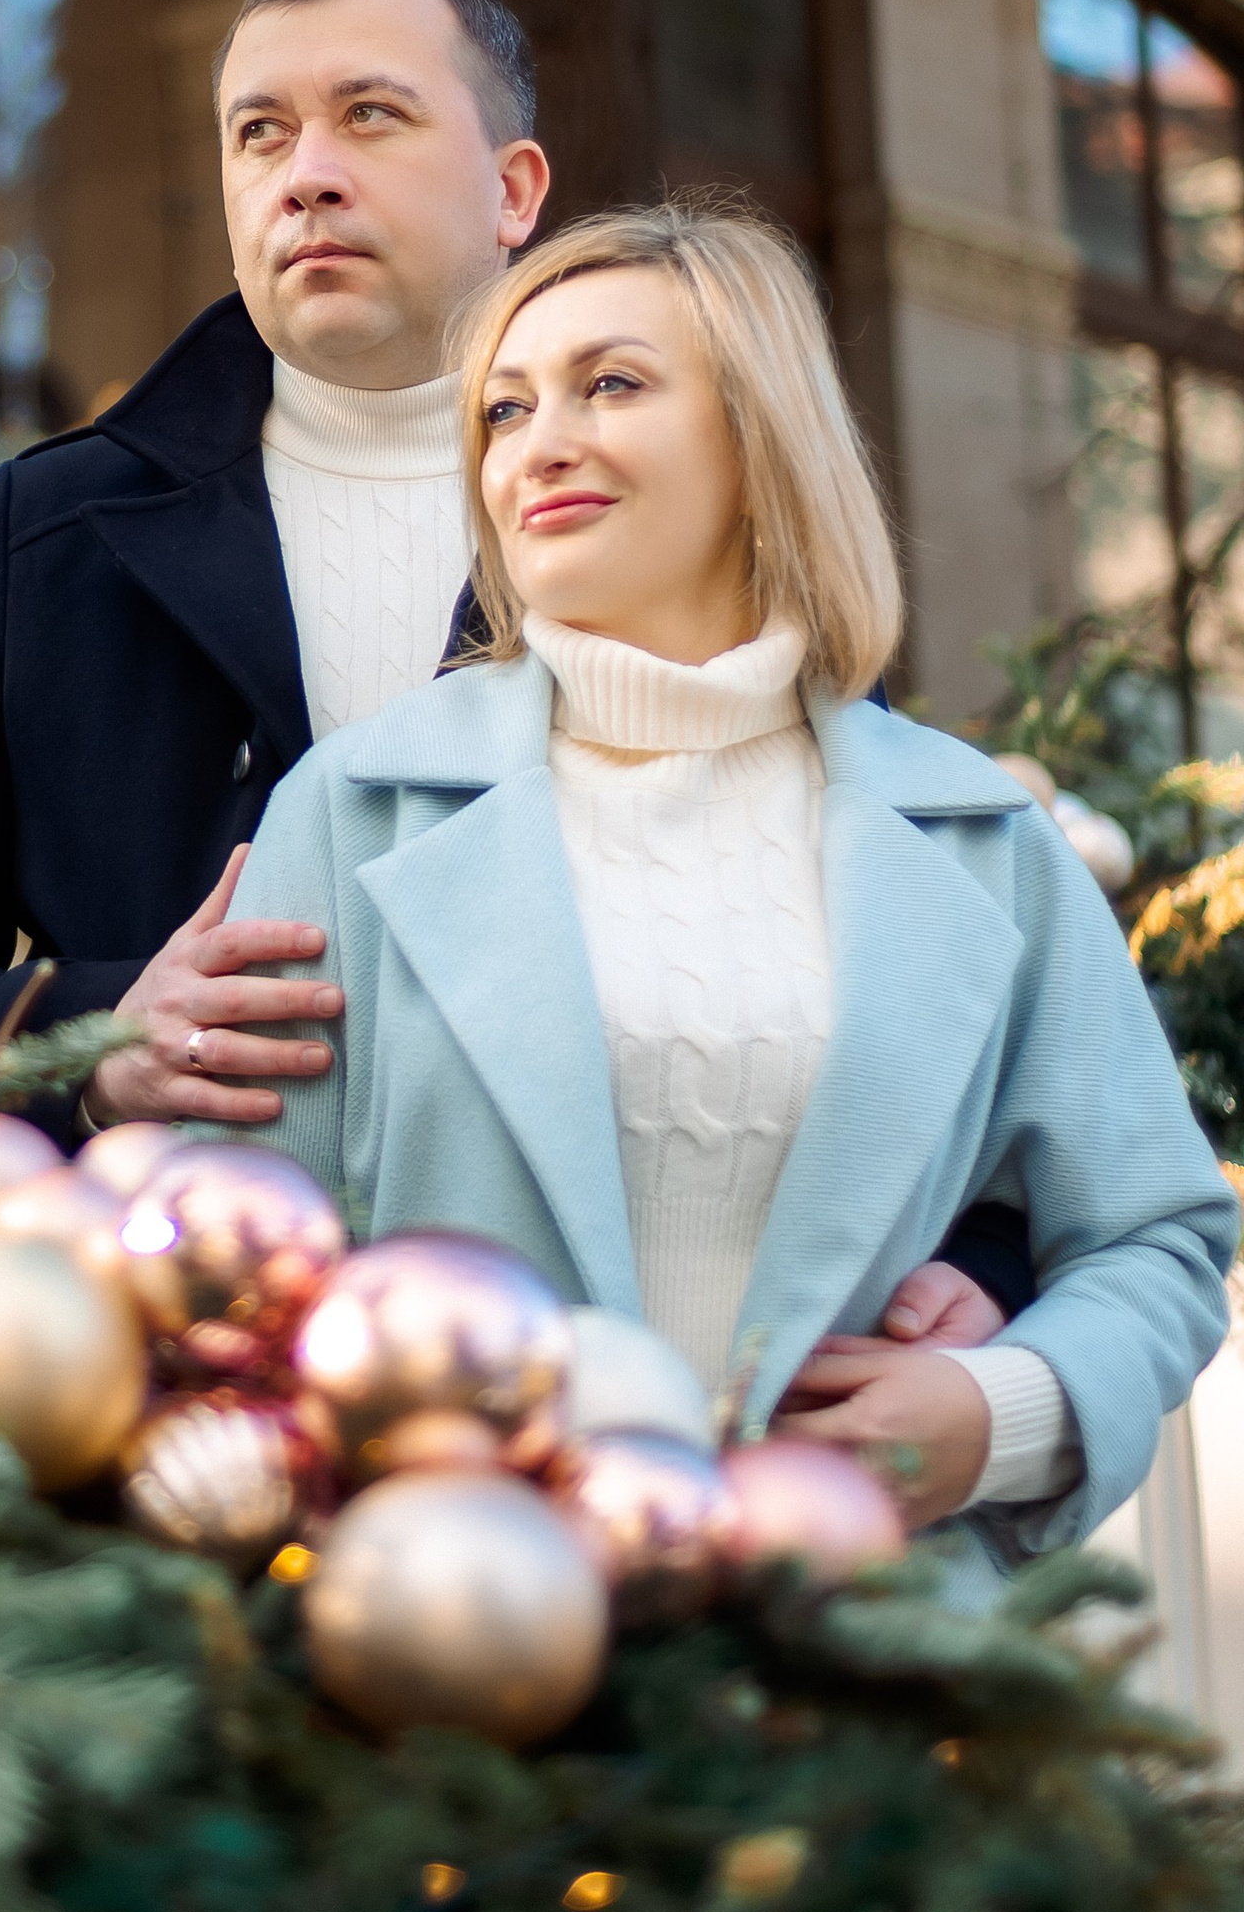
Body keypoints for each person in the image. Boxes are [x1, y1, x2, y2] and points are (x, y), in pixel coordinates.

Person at [0, 0, 1029, 1346]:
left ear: (514, 191)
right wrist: (103, 1035)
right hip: (176, 1390)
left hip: (622, 1366)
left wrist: (980, 1256)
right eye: (261, 133)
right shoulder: (57, 531)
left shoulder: (675, 497)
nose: (304, 172)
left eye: (369, 115)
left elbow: (893, 951)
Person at [235, 201, 1234, 1545]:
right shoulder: (352, 814)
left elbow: (1155, 1241)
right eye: (506, 411)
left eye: (613, 385)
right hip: (440, 1657)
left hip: (866, 1660)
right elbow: (233, 1271)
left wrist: (1001, 1410)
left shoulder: (983, 838)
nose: (543, 445)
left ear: (759, 434)